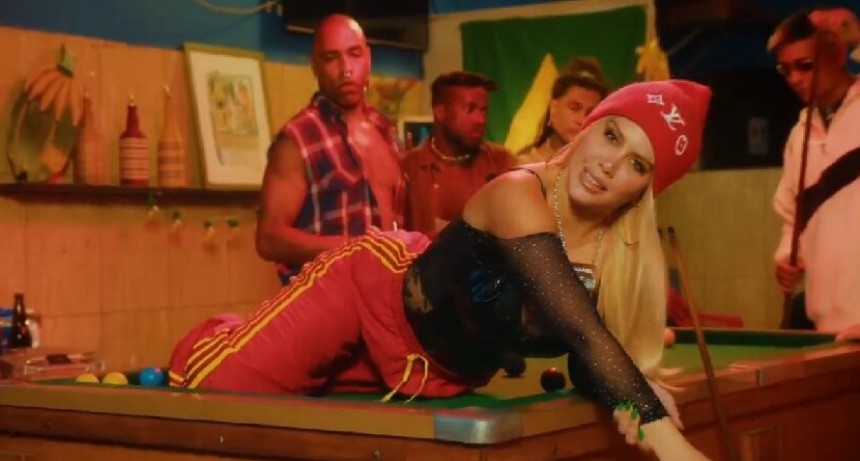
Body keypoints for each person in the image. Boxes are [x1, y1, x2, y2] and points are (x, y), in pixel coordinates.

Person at [169, 79, 713, 460]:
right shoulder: (519, 193)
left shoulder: (615, 257)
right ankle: (219, 335)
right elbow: (581, 331)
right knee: (213, 389)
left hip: (433, 376)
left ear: (646, 189)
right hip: (369, 294)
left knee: (313, 396)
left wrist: (628, 395)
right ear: (588, 128)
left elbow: (585, 359)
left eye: (637, 164)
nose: (609, 164)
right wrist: (671, 442)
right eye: (612, 135)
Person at [255, 14, 406, 284]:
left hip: (386, 295)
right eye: (331, 58)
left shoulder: (386, 132)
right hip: (326, 297)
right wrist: (351, 250)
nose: (346, 68)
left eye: (354, 54)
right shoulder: (298, 138)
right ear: (315, 66)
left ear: (368, 58)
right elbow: (268, 238)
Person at [769, 7, 860, 333]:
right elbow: (794, 217)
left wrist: (857, 39)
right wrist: (787, 259)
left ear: (837, 55)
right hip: (826, 325)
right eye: (785, 69)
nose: (794, 78)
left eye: (804, 65)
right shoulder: (800, 136)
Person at [400, 71, 513, 238]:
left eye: (483, 111)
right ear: (440, 111)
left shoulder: (502, 163)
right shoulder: (408, 168)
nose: (480, 120)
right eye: (470, 109)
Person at [517, 57, 611, 165]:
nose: (582, 120)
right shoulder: (523, 165)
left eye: (590, 113)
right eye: (574, 108)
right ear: (553, 107)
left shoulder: (600, 169)